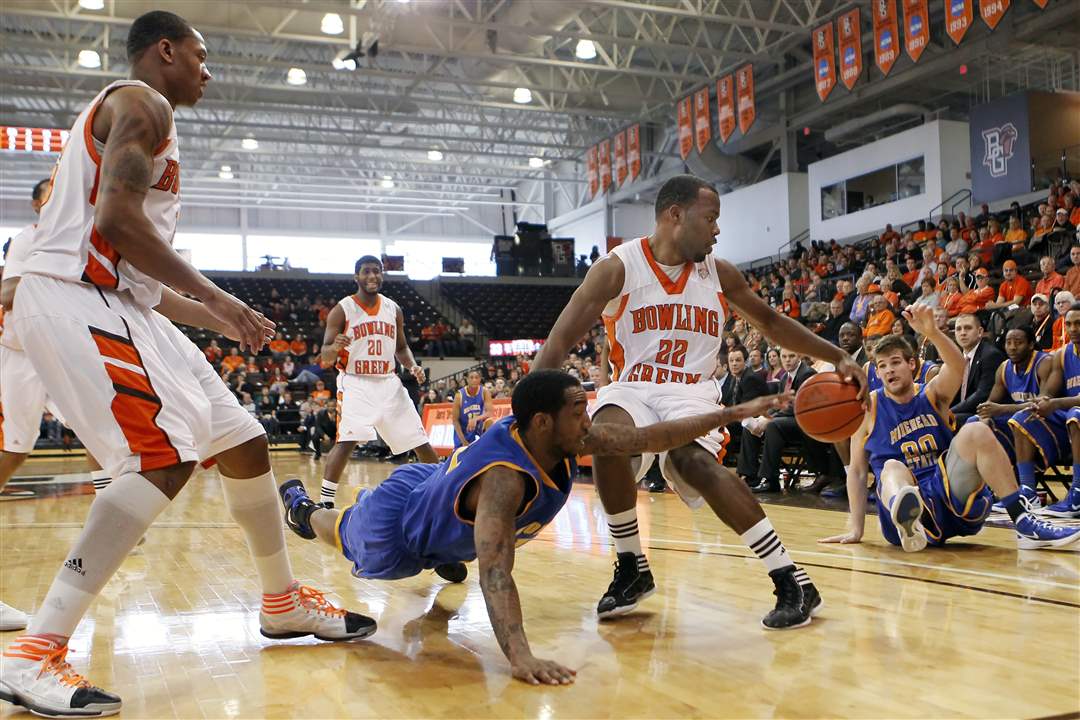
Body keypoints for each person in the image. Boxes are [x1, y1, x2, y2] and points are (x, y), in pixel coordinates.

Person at [0, 14, 373, 718]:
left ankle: (282, 602)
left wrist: (223, 315)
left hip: (117, 301)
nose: (209, 70)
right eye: (201, 56)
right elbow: (116, 223)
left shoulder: (138, 116)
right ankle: (35, 649)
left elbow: (136, 272)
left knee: (243, 439)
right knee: (160, 458)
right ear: (165, 51)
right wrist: (221, 295)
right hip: (74, 297)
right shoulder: (144, 102)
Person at [279, 370, 793, 684]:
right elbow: (497, 575)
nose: (588, 421)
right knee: (339, 531)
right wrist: (520, 656)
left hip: (435, 482)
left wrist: (728, 412)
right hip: (398, 526)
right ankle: (300, 509)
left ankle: (445, 554)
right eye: (578, 412)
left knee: (467, 544)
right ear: (544, 422)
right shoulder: (505, 482)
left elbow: (651, 433)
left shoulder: (561, 436)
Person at [531, 175, 865, 627]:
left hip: (691, 390)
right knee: (605, 434)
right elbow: (560, 340)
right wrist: (525, 408)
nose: (717, 229)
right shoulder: (617, 268)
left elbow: (769, 321)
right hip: (633, 386)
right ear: (675, 215)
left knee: (694, 464)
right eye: (710, 219)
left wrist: (836, 355)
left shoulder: (719, 274)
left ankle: (792, 579)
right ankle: (631, 565)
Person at [820, 307, 1079, 552]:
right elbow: (856, 470)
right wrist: (856, 529)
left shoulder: (933, 394)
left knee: (975, 429)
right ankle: (909, 518)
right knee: (891, 468)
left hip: (946, 494)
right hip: (899, 498)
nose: (889, 370)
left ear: (912, 365)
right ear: (876, 371)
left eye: (895, 362)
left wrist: (932, 332)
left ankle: (1024, 523)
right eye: (883, 365)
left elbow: (957, 366)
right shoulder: (868, 408)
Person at [317, 256, 438, 507]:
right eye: (366, 271)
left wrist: (412, 365)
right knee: (347, 440)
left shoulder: (393, 309)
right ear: (356, 277)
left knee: (420, 440)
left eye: (377, 271)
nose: (372, 276)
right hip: (355, 381)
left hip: (388, 381)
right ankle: (324, 501)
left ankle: (443, 489)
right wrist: (334, 346)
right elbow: (325, 356)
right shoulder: (343, 309)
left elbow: (402, 348)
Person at [1009, 304, 1080, 519]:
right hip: (1068, 421)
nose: (1073, 328)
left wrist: (1056, 404)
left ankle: (1077, 493)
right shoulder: (1061, 355)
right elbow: (1048, 392)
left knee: (1077, 413)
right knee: (1022, 418)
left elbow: (1059, 402)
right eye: (1068, 324)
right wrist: (1040, 403)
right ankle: (1028, 491)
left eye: (1078, 323)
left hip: (1074, 416)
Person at [970, 327, 1050, 480]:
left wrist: (1002, 409)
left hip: (1044, 420)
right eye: (1008, 343)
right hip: (1017, 422)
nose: (1012, 347)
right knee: (973, 422)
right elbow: (990, 404)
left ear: (1031, 344)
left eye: (1018, 342)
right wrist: (984, 418)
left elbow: (1042, 404)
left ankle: (1027, 488)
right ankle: (987, 485)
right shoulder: (1004, 368)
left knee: (1020, 419)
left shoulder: (1044, 363)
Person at [950, 313, 1006, 425]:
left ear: (980, 332)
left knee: (948, 420)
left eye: (968, 328)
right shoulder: (957, 357)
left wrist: (950, 411)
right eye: (958, 329)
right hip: (964, 411)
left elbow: (982, 394)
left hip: (984, 413)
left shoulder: (991, 355)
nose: (963, 333)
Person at [452, 370, 493, 447]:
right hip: (464, 428)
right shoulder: (459, 395)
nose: (474, 380)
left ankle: (488, 447)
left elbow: (490, 412)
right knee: (461, 454)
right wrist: (463, 441)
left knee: (489, 422)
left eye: (476, 377)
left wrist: (475, 419)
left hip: (478, 426)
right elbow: (455, 420)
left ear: (480, 379)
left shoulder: (484, 391)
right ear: (467, 379)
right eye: (471, 378)